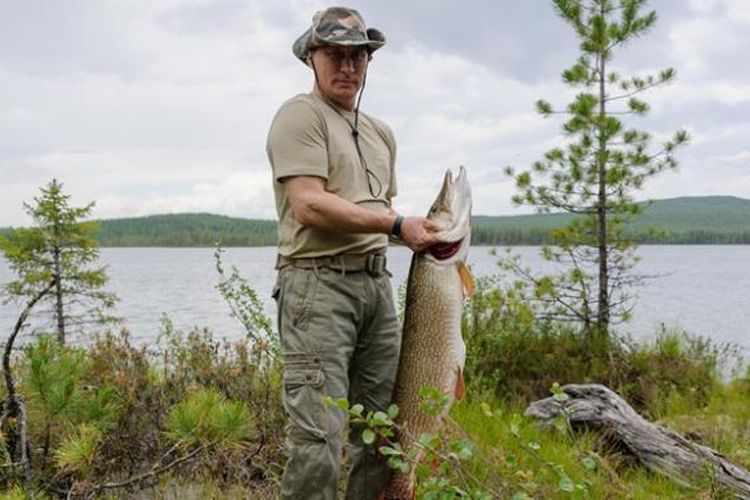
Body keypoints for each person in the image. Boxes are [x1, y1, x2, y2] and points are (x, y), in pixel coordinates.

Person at [266, 6, 442, 500]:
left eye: (357, 56)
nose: (347, 67)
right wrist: (397, 224)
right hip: (317, 288)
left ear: (369, 62)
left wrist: (414, 231)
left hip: (376, 287)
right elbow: (310, 205)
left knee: (383, 431)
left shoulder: (381, 132)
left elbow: (376, 210)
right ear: (311, 57)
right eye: (334, 55)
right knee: (318, 437)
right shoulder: (300, 115)